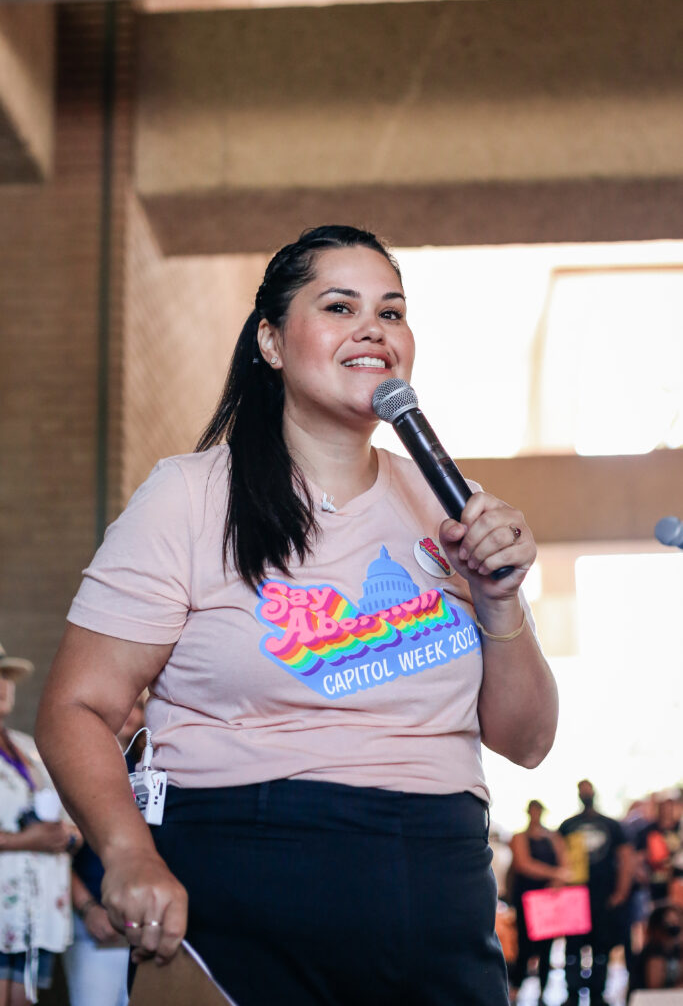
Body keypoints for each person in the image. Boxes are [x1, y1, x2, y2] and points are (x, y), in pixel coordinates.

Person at [35, 224, 559, 1006]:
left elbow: (526, 741)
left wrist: (497, 596)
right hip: (242, 880)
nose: (373, 331)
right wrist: (129, 854)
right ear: (272, 342)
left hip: (436, 889)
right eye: (340, 306)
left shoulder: (446, 504)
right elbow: (76, 706)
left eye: (391, 312)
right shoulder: (189, 496)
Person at [0, 643, 77, 1006]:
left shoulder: (28, 747)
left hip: (37, 909)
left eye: (6, 676)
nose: (2, 684)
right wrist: (25, 840)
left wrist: (67, 836)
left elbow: (69, 816)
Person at [62, 695, 147, 1006]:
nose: (129, 712)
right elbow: (59, 848)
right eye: (124, 703)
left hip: (143, 924)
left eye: (137, 706)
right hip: (93, 919)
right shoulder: (80, 764)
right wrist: (87, 910)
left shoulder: (153, 767)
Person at [559, 779, 633, 1006]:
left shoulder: (611, 825)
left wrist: (621, 891)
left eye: (588, 790)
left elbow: (626, 857)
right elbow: (559, 858)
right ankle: (572, 991)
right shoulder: (568, 825)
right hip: (574, 897)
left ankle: (597, 992)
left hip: (603, 896)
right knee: (572, 948)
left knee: (601, 947)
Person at [508, 799, 568, 1003]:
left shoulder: (553, 837)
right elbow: (524, 864)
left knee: (547, 946)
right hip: (527, 897)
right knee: (525, 945)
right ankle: (516, 988)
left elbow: (564, 864)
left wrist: (557, 879)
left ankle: (544, 989)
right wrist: (554, 873)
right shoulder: (520, 837)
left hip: (548, 897)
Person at [635, 902, 683, 990]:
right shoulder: (653, 951)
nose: (674, 926)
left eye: (677, 921)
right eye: (669, 923)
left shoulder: (676, 950)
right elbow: (655, 987)